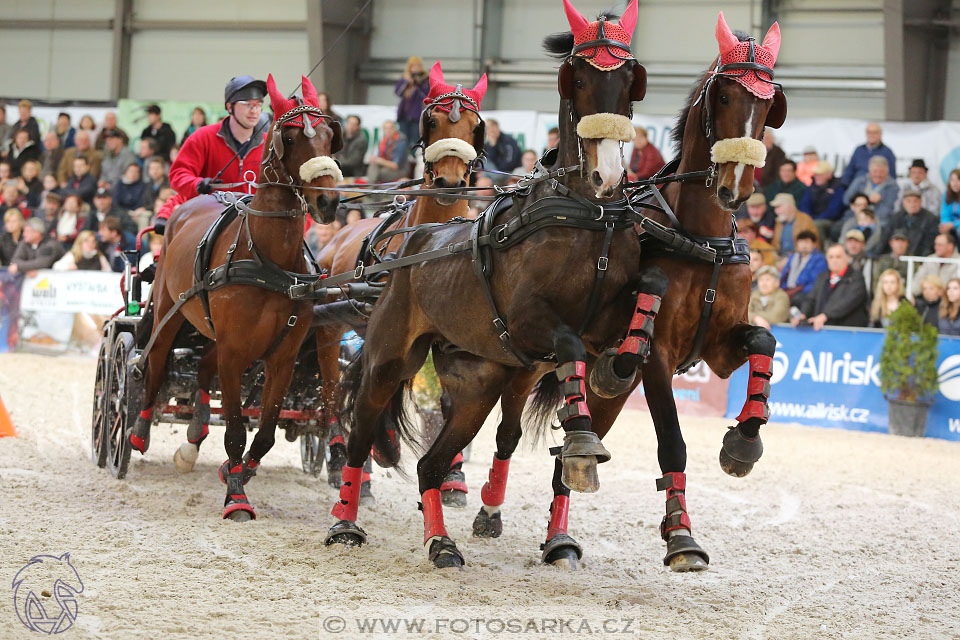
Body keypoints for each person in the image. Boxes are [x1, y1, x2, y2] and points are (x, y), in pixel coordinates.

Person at [156, 75, 271, 232]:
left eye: (258, 105)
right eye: (248, 104)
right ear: (229, 107)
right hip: (207, 221)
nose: (254, 111)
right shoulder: (202, 137)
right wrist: (197, 184)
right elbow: (178, 174)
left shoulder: (270, 144)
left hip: (254, 223)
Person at [792, 243, 869, 329]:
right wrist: (803, 314)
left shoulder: (856, 278)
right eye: (831, 257)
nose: (834, 260)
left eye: (838, 257)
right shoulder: (822, 277)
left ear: (847, 258)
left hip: (848, 332)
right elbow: (810, 299)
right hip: (822, 331)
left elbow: (847, 303)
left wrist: (826, 315)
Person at [879, 187, 939, 257]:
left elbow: (929, 243)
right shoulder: (896, 217)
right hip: (896, 256)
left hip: (919, 257)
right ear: (904, 203)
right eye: (908, 201)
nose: (912, 205)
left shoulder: (930, 219)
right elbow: (886, 237)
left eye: (915, 201)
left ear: (921, 202)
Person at [843, 156, 898, 226]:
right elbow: (846, 199)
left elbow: (888, 209)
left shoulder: (893, 186)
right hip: (854, 218)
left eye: (881, 172)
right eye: (875, 171)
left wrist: (881, 199)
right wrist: (865, 200)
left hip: (879, 221)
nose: (878, 175)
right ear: (869, 171)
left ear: (887, 172)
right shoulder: (860, 181)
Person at [799, 160, 844, 242]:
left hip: (831, 221)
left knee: (817, 225)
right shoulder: (812, 187)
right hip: (813, 218)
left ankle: (820, 250)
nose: (817, 176)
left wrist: (814, 219)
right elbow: (804, 205)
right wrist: (807, 218)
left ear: (829, 175)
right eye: (816, 174)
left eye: (820, 174)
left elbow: (834, 211)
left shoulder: (837, 187)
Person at [840, 122, 897, 187]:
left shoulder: (887, 152)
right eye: (869, 132)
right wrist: (845, 185)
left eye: (874, 132)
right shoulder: (859, 150)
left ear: (880, 134)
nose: (871, 135)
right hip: (858, 186)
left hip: (878, 188)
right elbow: (849, 170)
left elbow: (892, 176)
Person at [779, 230, 826, 306]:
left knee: (796, 299)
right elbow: (784, 275)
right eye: (801, 242)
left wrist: (796, 290)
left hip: (805, 292)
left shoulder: (819, 259)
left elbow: (815, 282)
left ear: (814, 244)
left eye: (807, 242)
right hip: (789, 289)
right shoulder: (793, 257)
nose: (804, 245)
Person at [395, 56, 430, 153]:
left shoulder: (425, 80)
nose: (416, 68)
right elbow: (398, 93)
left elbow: (426, 95)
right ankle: (404, 161)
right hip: (404, 115)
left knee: (416, 140)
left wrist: (417, 83)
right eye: (413, 66)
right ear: (409, 67)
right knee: (402, 140)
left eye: (418, 65)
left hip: (417, 116)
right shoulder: (405, 78)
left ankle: (415, 161)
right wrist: (407, 82)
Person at [910, 233, 960, 298]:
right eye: (935, 244)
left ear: (950, 246)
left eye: (940, 245)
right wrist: (910, 294)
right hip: (927, 300)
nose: (936, 247)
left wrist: (941, 292)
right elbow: (918, 280)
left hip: (949, 301)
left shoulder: (958, 261)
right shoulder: (930, 259)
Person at [771, 193, 817, 257]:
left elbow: (811, 246)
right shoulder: (779, 222)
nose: (776, 211)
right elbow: (775, 244)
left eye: (778, 207)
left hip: (799, 258)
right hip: (779, 259)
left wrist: (789, 260)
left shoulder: (805, 220)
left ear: (789, 207)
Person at [844, 229, 874, 296]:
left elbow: (868, 285)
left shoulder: (867, 261)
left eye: (856, 242)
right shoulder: (841, 259)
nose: (853, 245)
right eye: (850, 242)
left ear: (863, 244)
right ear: (846, 244)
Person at [940, 169, 960, 233]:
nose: (955, 183)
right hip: (950, 225)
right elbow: (944, 213)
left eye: (958, 180)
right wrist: (945, 224)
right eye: (952, 180)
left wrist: (953, 224)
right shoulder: (946, 194)